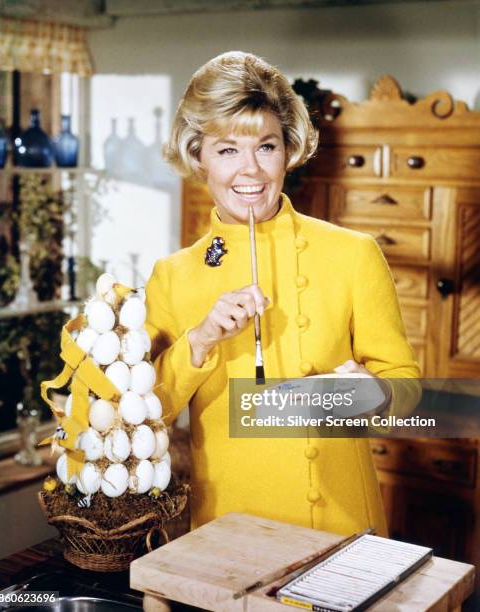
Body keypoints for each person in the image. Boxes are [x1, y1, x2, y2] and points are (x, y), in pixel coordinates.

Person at [145, 51, 420, 537]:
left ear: (287, 151)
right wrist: (202, 339)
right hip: (229, 528)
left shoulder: (353, 254)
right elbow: (147, 413)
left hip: (342, 527)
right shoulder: (173, 275)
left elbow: (406, 387)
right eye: (227, 150)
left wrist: (376, 394)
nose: (250, 171)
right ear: (198, 155)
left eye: (266, 147)